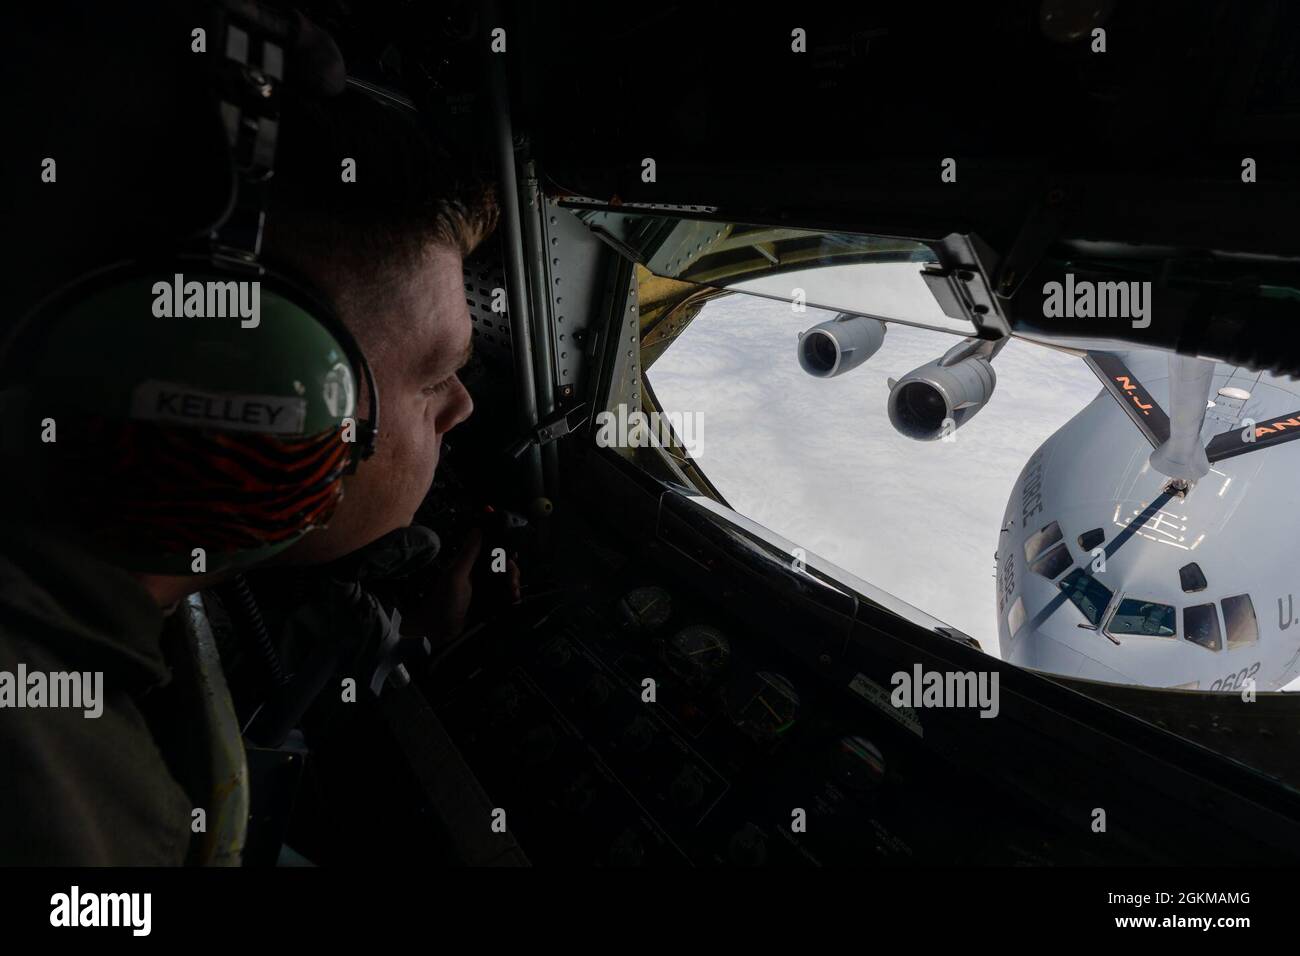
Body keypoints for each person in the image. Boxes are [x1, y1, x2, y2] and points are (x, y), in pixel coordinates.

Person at [0, 27, 503, 864]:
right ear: (254, 388)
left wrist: (414, 630)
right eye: (435, 375)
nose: (461, 408)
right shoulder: (78, 816)